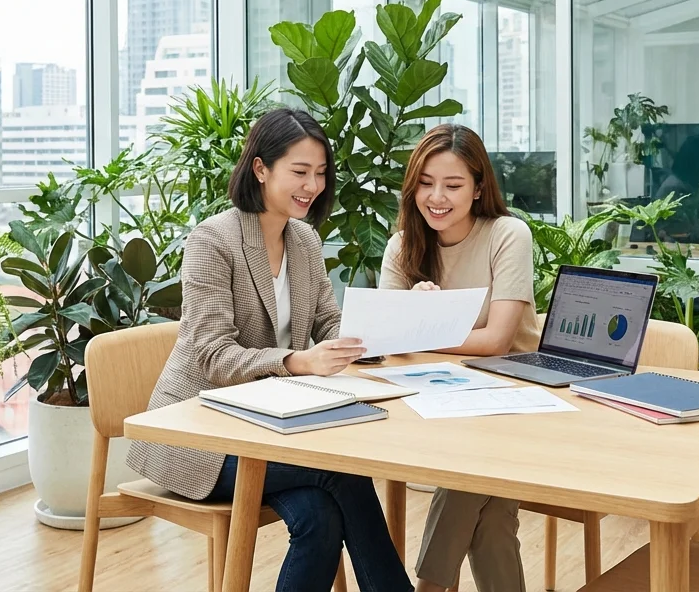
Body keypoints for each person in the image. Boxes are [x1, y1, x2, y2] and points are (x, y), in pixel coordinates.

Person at [127, 107, 411, 592]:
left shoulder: (303, 239)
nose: (312, 185)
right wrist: (296, 362)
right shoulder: (212, 241)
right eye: (300, 172)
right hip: (201, 440)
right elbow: (211, 355)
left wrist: (395, 320)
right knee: (344, 475)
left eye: (320, 173)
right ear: (260, 169)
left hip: (275, 428)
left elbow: (329, 322)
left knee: (320, 517)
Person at [379, 123, 537, 592]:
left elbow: (497, 342)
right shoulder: (402, 245)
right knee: (492, 516)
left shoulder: (508, 234)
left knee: (469, 470)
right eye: (426, 183)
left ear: (478, 187)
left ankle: (428, 588)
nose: (436, 197)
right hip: (433, 400)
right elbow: (386, 337)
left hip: (517, 400)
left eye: (453, 184)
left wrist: (426, 323)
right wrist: (415, 320)